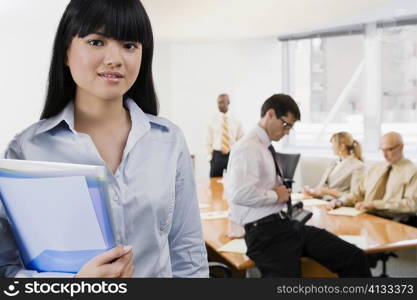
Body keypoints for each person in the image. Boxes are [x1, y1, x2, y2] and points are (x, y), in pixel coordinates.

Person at [0, 0, 208, 278]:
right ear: (66, 52)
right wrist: (75, 285)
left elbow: (188, 254)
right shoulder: (27, 149)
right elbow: (5, 269)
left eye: (129, 45)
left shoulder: (169, 141)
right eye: (96, 42)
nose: (115, 59)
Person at [226, 94, 371, 277]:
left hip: (286, 226)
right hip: (266, 235)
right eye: (286, 125)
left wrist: (280, 195)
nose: (287, 132)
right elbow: (239, 193)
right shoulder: (248, 147)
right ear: (270, 114)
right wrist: (275, 195)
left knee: (354, 258)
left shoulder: (265, 147)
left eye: (290, 128)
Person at [329, 132, 417, 223]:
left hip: (394, 221)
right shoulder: (375, 168)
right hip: (367, 217)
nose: (384, 155)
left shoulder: (412, 171)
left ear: (401, 147)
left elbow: (412, 204)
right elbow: (357, 194)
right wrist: (340, 201)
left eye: (389, 150)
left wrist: (376, 205)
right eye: (382, 150)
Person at [303, 132, 365, 200]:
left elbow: (355, 196)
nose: (331, 148)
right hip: (323, 201)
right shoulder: (334, 163)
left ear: (342, 146)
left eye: (333, 145)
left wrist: (329, 192)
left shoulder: (358, 166)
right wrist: (313, 192)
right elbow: (322, 186)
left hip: (339, 203)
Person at [207, 94, 243, 177]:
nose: (220, 105)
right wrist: (209, 157)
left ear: (228, 102)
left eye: (222, 102)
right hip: (217, 155)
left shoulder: (236, 120)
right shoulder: (212, 120)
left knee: (234, 181)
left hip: (232, 154)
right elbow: (208, 140)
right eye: (218, 103)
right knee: (214, 185)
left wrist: (238, 155)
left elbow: (241, 139)